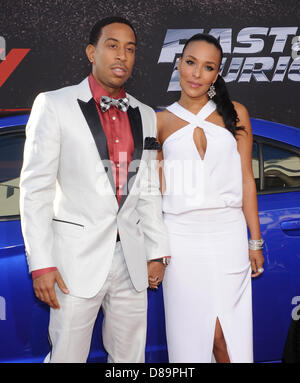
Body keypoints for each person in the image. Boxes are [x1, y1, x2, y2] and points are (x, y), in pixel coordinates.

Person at [20, 16, 170, 363]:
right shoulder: (54, 104)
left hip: (131, 261)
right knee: (67, 357)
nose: (122, 56)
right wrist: (41, 263)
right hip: (74, 262)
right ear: (92, 51)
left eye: (130, 49)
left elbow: (146, 189)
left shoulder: (146, 114)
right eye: (112, 45)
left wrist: (157, 250)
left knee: (130, 359)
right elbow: (35, 190)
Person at [155, 33, 264, 363]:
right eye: (190, 62)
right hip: (181, 240)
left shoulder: (236, 114)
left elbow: (246, 177)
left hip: (228, 235)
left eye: (207, 67)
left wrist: (254, 240)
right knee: (196, 337)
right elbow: (154, 192)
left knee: (228, 338)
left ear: (216, 74)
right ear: (178, 64)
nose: (196, 74)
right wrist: (156, 249)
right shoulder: (159, 121)